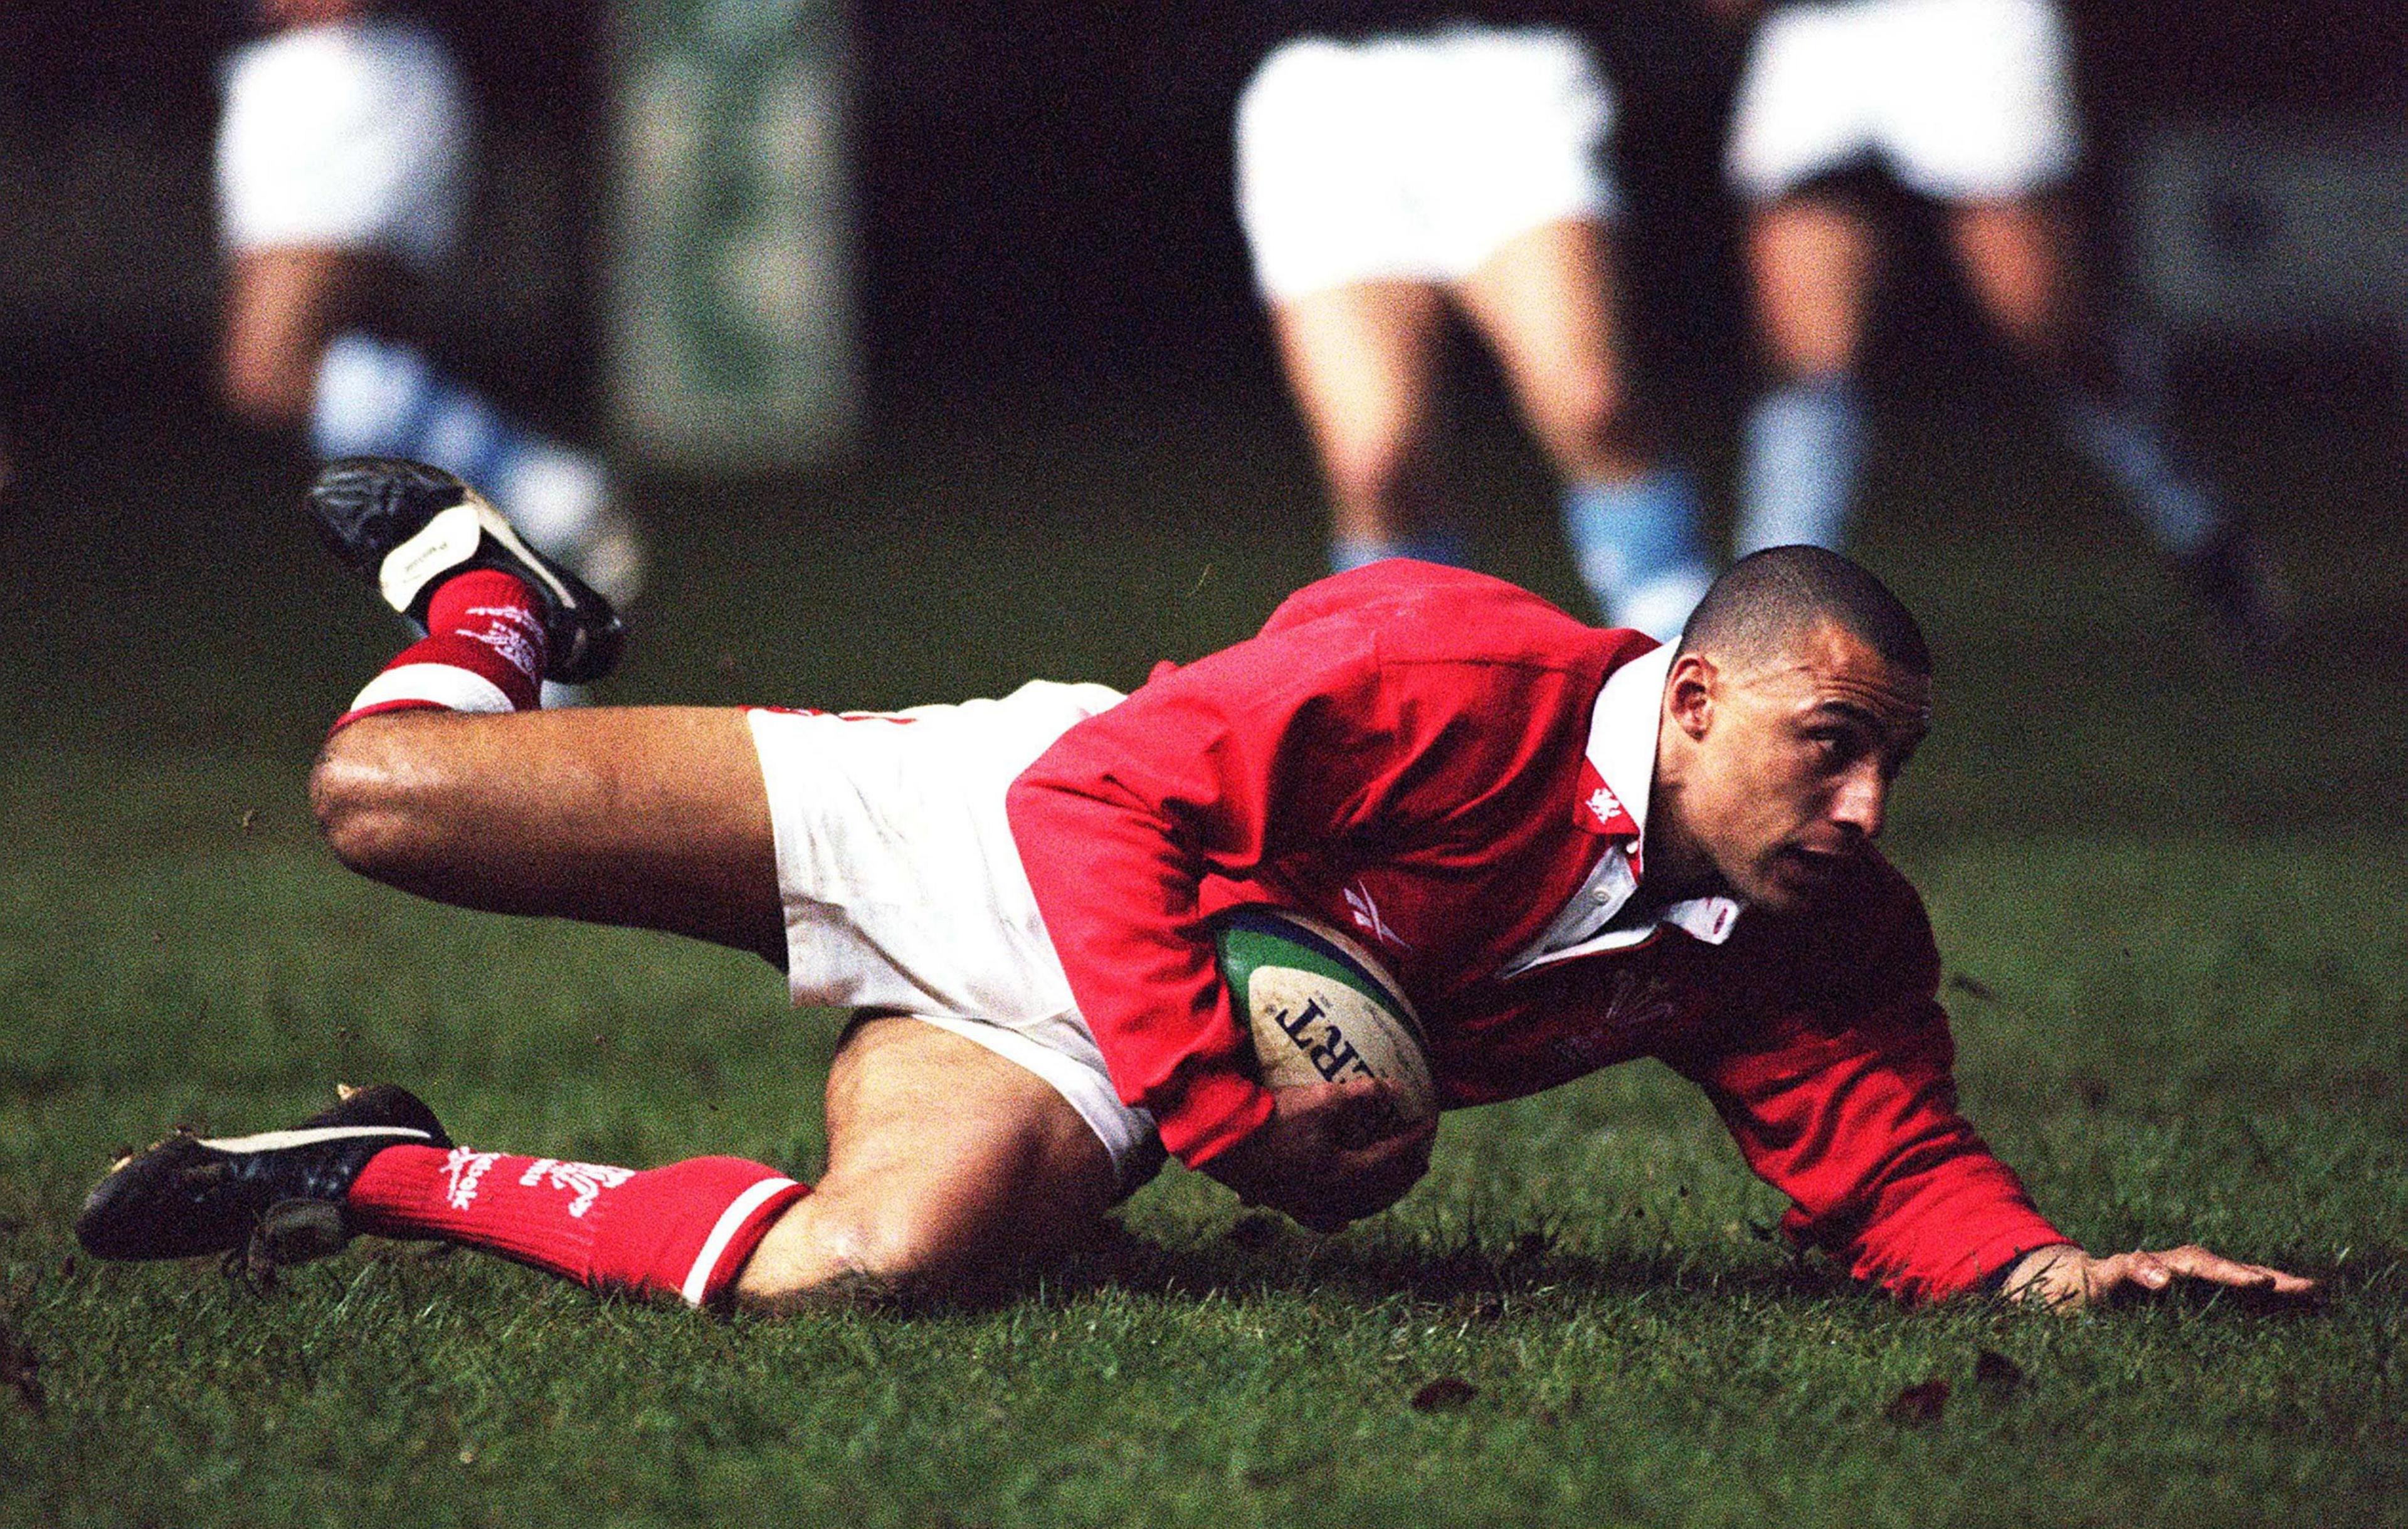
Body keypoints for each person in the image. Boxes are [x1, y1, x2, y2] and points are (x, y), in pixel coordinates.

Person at [77, 458, 2316, 1315]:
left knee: (872, 1267)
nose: (1865, 814)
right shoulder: (1444, 658)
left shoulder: (1812, 922)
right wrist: (1233, 1115)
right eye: (1835, 749)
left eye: (1896, 766)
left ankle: (372, 1170)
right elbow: (1095, 823)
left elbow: (1883, 1148)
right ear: (1699, 694)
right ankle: (489, 600)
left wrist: (2048, 1275)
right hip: (1022, 821)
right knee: (381, 796)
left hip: (1123, 1013)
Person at [1714, 0, 2286, 649]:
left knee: (2047, 322)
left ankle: (2196, 521)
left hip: (1971, 21)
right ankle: (1768, 605)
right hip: (1820, 28)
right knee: (1804, 347)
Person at [1235, 8, 1716, 641]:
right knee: (1377, 461)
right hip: (1322, 88)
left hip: (1504, 66)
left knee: (1590, 403)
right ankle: (1415, 707)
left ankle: (1687, 663)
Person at [216, 0, 643, 619]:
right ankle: (507, 639)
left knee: (271, 371)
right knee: (365, 388)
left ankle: (548, 490)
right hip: (338, 73)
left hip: (342, 73)